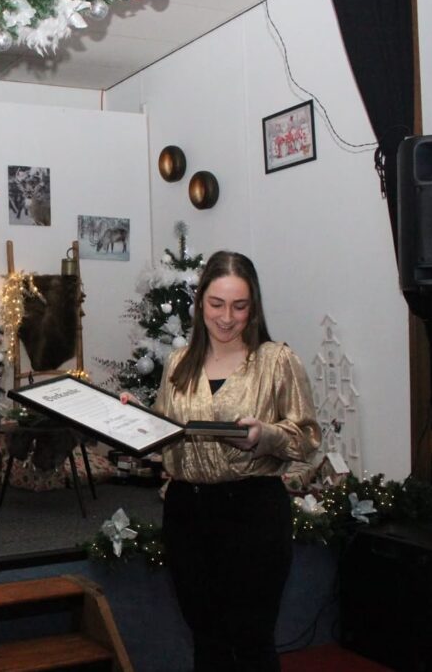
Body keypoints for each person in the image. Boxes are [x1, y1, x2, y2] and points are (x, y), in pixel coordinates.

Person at [128, 250, 320, 672]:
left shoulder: (276, 360)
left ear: (254, 307)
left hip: (253, 512)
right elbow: (165, 435)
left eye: (239, 306)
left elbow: (307, 438)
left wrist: (265, 435)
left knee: (251, 641)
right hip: (187, 513)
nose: (227, 317)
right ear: (200, 303)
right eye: (216, 304)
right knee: (206, 638)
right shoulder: (179, 363)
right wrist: (130, 421)